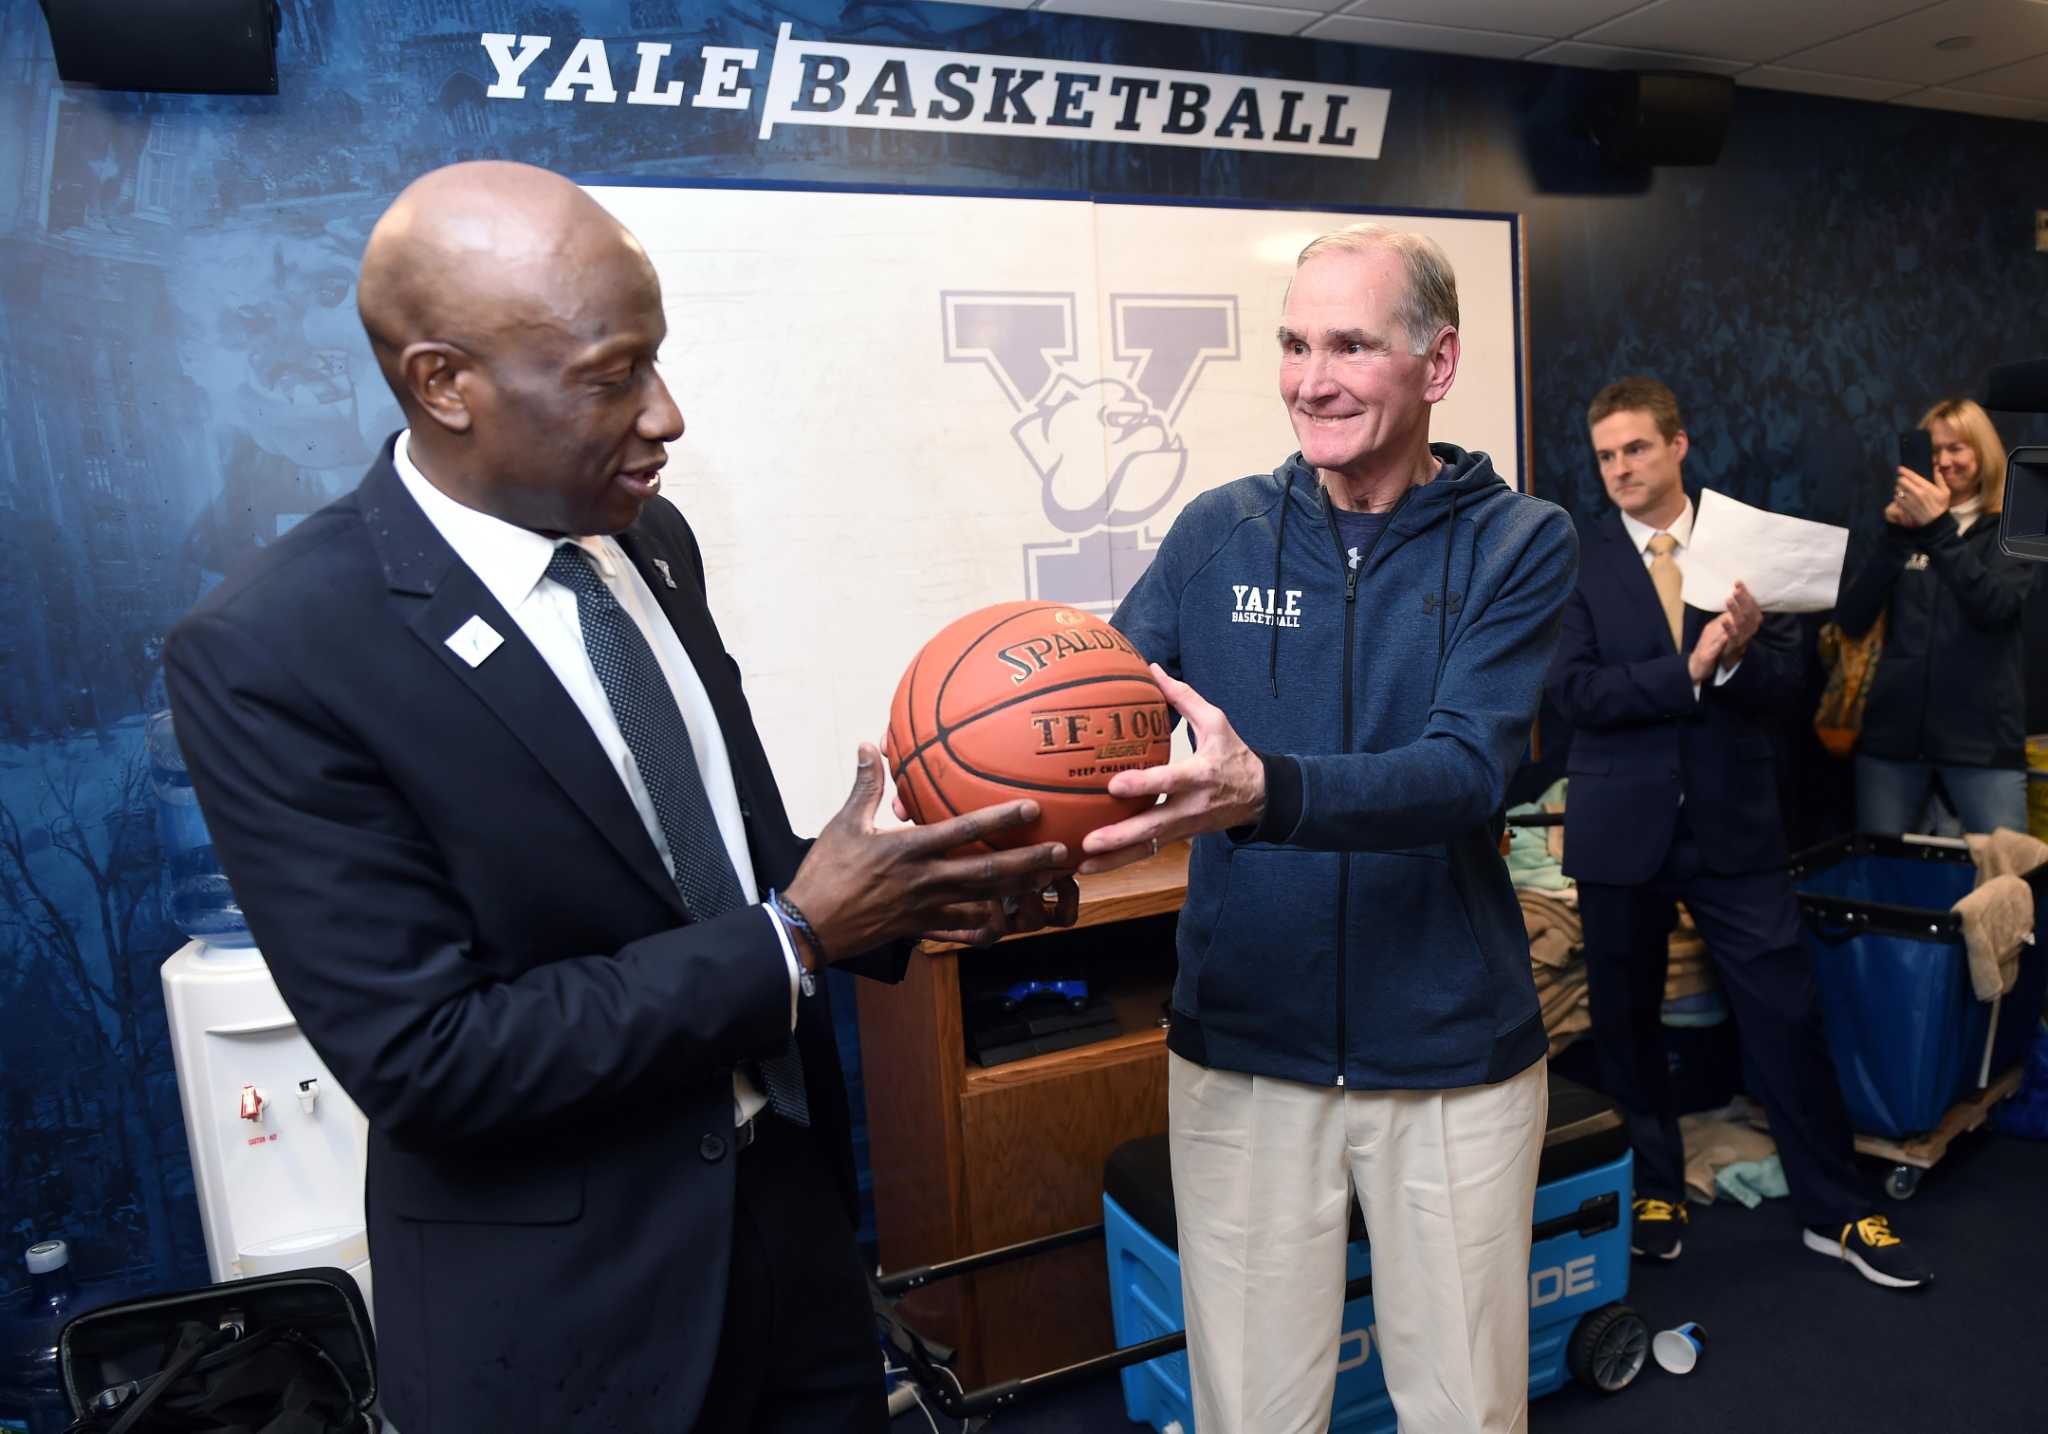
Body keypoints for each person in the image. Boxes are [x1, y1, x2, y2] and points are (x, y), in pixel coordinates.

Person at [162, 162, 1077, 1434]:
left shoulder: (652, 545)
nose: (667, 416)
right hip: (565, 1333)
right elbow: (434, 1059)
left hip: (791, 1243)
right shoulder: (277, 648)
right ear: (443, 383)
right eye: (610, 376)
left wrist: (921, 893)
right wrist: (800, 934)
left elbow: (738, 869)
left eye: (657, 361)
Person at [1083, 223, 1578, 1434]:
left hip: (1451, 1055)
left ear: (1436, 363)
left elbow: (1467, 769)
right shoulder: (1218, 532)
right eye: (1295, 344)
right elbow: (1098, 711)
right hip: (1245, 1044)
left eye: (1351, 344)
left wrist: (1269, 794)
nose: (1311, 378)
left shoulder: (1518, 542)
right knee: (1252, 1412)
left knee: (1464, 1409)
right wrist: (982, 785)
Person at [1546, 376, 1931, 1289]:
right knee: (1627, 1023)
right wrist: (1689, 668)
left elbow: (1790, 692)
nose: (1620, 470)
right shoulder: (1577, 558)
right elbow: (1571, 694)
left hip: (1735, 822)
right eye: (1605, 455)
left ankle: (1835, 1210)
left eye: (1636, 448)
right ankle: (1653, 1189)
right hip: (1618, 827)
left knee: (1788, 1014)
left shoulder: (1746, 541)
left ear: (1679, 446)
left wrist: (1741, 658)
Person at [1838, 397, 2035, 835]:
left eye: (1957, 448)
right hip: (1891, 744)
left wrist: (1938, 528)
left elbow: (1996, 606)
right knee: (1885, 880)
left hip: (1981, 746)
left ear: (1982, 454)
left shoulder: (2015, 527)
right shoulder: (1901, 530)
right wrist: (1895, 539)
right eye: (1933, 452)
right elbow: (1851, 620)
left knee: (2006, 884)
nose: (1944, 462)